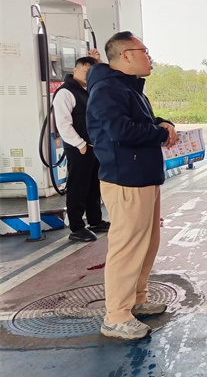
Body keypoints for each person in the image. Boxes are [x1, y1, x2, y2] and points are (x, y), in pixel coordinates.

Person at [86, 32, 178, 340]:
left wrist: (163, 124)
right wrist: (160, 135)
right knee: (127, 248)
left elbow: (140, 121)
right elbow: (119, 130)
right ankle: (116, 317)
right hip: (126, 179)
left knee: (147, 242)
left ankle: (136, 299)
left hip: (142, 176)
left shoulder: (128, 87)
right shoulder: (109, 88)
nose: (149, 57)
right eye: (144, 51)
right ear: (126, 55)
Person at [52, 50, 110, 243]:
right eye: (85, 71)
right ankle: (76, 227)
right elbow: (63, 123)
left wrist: (100, 62)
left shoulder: (89, 90)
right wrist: (80, 144)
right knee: (78, 186)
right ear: (75, 70)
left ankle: (95, 220)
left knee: (94, 185)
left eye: (91, 71)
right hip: (79, 148)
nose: (88, 75)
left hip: (94, 146)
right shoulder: (65, 92)